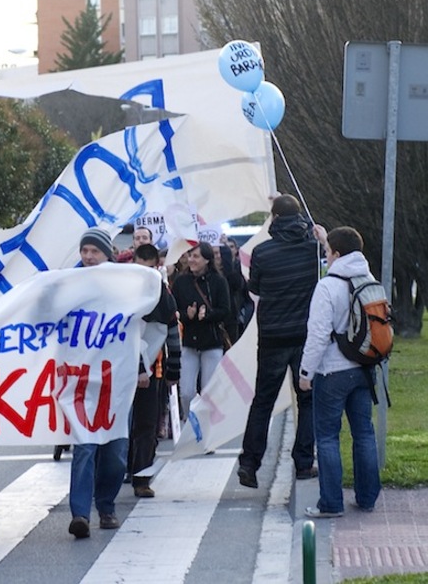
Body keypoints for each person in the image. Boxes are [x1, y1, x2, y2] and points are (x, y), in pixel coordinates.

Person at [237, 194, 321, 489]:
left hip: (272, 335)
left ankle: (249, 463)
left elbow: (254, 289)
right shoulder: (313, 249)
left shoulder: (263, 252)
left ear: (273, 218)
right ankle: (303, 462)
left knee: (263, 401)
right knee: (307, 400)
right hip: (305, 335)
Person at [299, 226, 381, 518]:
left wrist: (306, 372)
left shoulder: (327, 286)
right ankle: (368, 497)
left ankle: (331, 503)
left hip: (332, 371)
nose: (325, 255)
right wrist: (326, 236)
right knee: (364, 434)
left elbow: (318, 334)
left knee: (329, 437)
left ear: (335, 254)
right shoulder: (368, 278)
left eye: (326, 251)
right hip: (363, 369)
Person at [67, 227, 128, 538]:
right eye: (84, 251)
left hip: (117, 381)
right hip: (81, 381)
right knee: (85, 447)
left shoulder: (126, 284)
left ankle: (106, 505)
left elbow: (152, 318)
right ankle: (80, 513)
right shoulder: (67, 284)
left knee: (116, 451)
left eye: (94, 251)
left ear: (108, 254)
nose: (88, 257)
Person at [128, 244, 181, 498]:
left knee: (147, 425)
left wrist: (174, 369)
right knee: (123, 425)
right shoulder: (123, 292)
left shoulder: (162, 293)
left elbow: (171, 328)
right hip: (122, 369)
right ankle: (125, 468)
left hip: (154, 369)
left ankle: (142, 476)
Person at [171, 241, 231, 419]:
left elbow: (226, 311)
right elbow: (174, 311)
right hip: (189, 342)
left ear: (207, 259)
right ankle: (190, 425)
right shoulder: (181, 281)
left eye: (196, 256)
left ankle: (206, 433)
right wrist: (186, 315)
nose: (191, 260)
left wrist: (209, 314)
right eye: (190, 256)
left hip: (211, 343)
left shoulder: (218, 281)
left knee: (208, 392)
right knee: (187, 391)